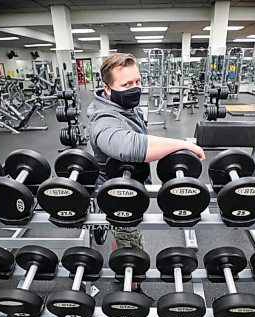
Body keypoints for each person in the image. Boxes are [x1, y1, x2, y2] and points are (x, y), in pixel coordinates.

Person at [86, 53, 205, 289]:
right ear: (107, 89)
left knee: (125, 237)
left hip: (129, 185)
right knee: (131, 244)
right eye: (126, 84)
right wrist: (182, 144)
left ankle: (122, 264)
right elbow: (129, 146)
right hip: (118, 195)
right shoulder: (103, 119)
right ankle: (131, 289)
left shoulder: (125, 107)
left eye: (137, 81)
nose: (135, 88)